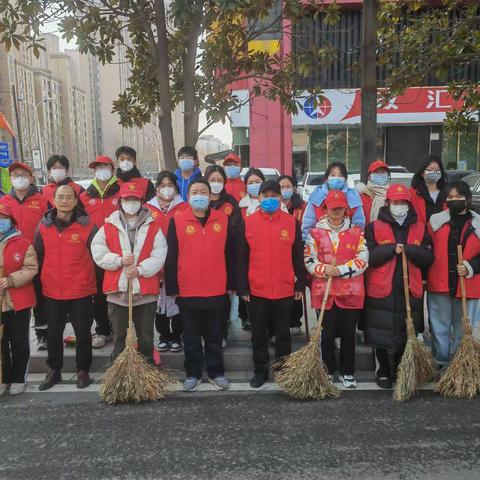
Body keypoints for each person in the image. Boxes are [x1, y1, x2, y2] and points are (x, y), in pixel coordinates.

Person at [165, 178, 239, 392]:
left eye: (203, 191)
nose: (199, 195)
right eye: (195, 191)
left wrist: (231, 283)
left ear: (210, 195)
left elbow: (230, 254)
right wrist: (173, 287)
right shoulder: (177, 220)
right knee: (191, 336)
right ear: (188, 196)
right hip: (188, 288)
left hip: (217, 288)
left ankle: (216, 372)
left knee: (215, 335)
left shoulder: (222, 219)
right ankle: (193, 373)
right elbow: (171, 256)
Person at [364, 184, 434, 388]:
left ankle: (400, 368)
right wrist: (391, 249)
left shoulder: (420, 226)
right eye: (395, 202)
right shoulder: (374, 226)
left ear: (409, 205)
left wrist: (409, 250)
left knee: (406, 330)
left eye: (403, 202)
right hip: (382, 287)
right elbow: (370, 257)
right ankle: (383, 369)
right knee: (381, 330)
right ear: (387, 203)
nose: (399, 206)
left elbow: (429, 257)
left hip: (409, 287)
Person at [239, 180, 305, 388]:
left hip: (284, 288)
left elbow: (297, 256)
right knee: (258, 335)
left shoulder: (291, 222)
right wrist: (243, 286)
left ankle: (282, 370)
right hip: (257, 289)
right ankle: (260, 371)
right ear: (259, 198)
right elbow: (241, 258)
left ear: (280, 198)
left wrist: (299, 284)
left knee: (283, 335)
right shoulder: (248, 223)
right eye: (265, 195)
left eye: (273, 195)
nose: (269, 199)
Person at [92, 181, 167, 363]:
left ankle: (147, 373)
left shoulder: (152, 226)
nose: (131, 203)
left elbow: (159, 254)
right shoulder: (109, 225)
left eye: (135, 199)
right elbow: (98, 250)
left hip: (144, 291)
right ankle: (119, 374)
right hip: (118, 290)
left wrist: (141, 270)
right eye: (127, 199)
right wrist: (119, 261)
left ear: (141, 201)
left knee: (146, 337)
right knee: (119, 338)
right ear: (120, 201)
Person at [34, 185, 98, 390]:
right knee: (53, 333)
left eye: (68, 197)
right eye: (60, 197)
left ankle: (83, 371)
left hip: (81, 290)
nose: (64, 201)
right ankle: (54, 371)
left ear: (75, 200)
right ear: (53, 199)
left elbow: (97, 257)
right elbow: (38, 255)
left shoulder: (87, 225)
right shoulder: (43, 226)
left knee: (83, 333)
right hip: (52, 290)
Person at [304, 190, 368, 388]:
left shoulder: (357, 232)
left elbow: (363, 259)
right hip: (325, 292)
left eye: (340, 208)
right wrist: (323, 269)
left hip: (351, 292)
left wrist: (340, 270)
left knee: (348, 334)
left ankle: (348, 371)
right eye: (332, 208)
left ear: (345, 209)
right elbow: (308, 258)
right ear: (326, 209)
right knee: (327, 334)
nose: (336, 211)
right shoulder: (315, 233)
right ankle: (328, 369)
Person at [427, 180, 480, 367]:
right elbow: (427, 249)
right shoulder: (435, 221)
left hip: (469, 285)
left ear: (467, 199)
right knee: (439, 328)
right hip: (439, 283)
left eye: (459, 196)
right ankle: (441, 363)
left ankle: (460, 367)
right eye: (450, 197)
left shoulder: (478, 223)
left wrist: (471, 266)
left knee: (463, 330)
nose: (454, 200)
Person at [1, 162, 48, 350]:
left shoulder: (42, 200)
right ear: (11, 178)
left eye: (23, 175)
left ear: (30, 177)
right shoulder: (4, 201)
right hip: (11, 260)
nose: (19, 178)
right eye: (15, 175)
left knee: (40, 296)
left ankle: (42, 334)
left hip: (37, 256)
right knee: (15, 297)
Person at [80, 155, 120, 349]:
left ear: (112, 169)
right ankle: (103, 330)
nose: (101, 170)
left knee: (121, 291)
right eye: (97, 167)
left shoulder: (122, 192)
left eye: (105, 166)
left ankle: (123, 330)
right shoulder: (85, 196)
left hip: (120, 251)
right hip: (94, 252)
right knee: (98, 293)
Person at [145, 171, 188, 353]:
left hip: (177, 261)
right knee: (158, 302)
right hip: (155, 262)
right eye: (163, 185)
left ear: (176, 188)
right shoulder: (147, 208)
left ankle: (177, 335)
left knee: (176, 299)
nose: (166, 189)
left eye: (170, 185)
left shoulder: (184, 207)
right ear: (157, 188)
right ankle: (163, 335)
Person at [0, 201, 38, 396]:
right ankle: (3, 377)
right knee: (1, 342)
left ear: (10, 220)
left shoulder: (22, 243)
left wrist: (11, 280)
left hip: (18, 301)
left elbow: (31, 268)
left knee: (19, 340)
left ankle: (17, 377)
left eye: (3, 218)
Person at [205, 164, 243, 346]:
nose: (216, 184)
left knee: (222, 296)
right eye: (212, 180)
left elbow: (235, 231)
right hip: (203, 257)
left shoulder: (230, 203)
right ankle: (205, 331)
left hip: (225, 256)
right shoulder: (199, 200)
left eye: (219, 180)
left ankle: (221, 332)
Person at [302, 162, 365, 241]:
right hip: (320, 243)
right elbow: (309, 221)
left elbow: (359, 223)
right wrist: (307, 242)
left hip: (346, 243)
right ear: (327, 179)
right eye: (333, 175)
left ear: (345, 179)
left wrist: (353, 242)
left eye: (340, 175)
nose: (336, 178)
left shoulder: (352, 196)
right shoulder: (317, 195)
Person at [279, 174, 306, 336]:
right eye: (281, 187)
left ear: (294, 188)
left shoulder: (302, 206)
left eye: (288, 186)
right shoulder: (274, 205)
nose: (284, 190)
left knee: (296, 286)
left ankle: (295, 321)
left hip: (297, 249)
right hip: (280, 251)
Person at [410, 154, 448, 225]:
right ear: (422, 172)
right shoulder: (413, 194)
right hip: (421, 234)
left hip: (442, 233)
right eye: (430, 170)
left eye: (437, 170)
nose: (434, 172)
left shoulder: (447, 193)